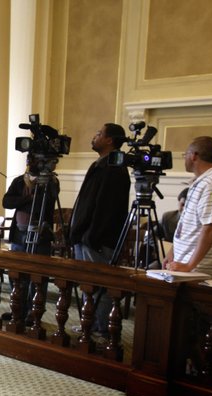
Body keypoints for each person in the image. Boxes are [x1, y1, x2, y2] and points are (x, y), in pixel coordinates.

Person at [68, 123, 130, 337]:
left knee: (101, 288)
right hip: (87, 237)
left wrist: (90, 236)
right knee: (88, 286)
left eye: (98, 134)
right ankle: (90, 324)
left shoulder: (114, 168)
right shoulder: (101, 164)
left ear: (110, 140)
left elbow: (107, 208)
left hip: (98, 240)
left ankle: (104, 330)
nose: (94, 136)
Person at [163, 136, 212, 279]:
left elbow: (210, 229)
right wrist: (173, 252)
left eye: (185, 154)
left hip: (200, 271)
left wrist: (189, 265)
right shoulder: (205, 180)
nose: (185, 158)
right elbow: (188, 223)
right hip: (188, 268)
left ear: (194, 156)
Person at [1, 154, 59, 322]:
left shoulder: (51, 182)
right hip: (19, 235)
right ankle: (18, 310)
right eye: (29, 159)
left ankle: (34, 314)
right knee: (17, 276)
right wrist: (27, 198)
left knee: (37, 278)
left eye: (33, 159)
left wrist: (26, 199)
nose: (29, 162)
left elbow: (45, 202)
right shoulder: (19, 181)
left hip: (40, 235)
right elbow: (6, 202)